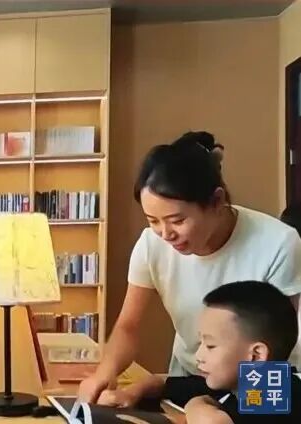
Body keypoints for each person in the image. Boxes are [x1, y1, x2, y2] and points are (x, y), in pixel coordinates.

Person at [77, 131, 301, 403]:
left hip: (261, 384)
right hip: (190, 379)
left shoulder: (278, 243)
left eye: (177, 220)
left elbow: (275, 347)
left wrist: (223, 410)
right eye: (153, 220)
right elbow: (129, 325)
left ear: (217, 201)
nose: (165, 234)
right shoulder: (151, 244)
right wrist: (104, 374)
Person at [97, 281, 301, 423]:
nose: (199, 356)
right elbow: (163, 383)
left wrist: (198, 402)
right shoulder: (233, 382)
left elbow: (211, 422)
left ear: (256, 356)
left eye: (210, 346)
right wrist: (130, 393)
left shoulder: (278, 389)